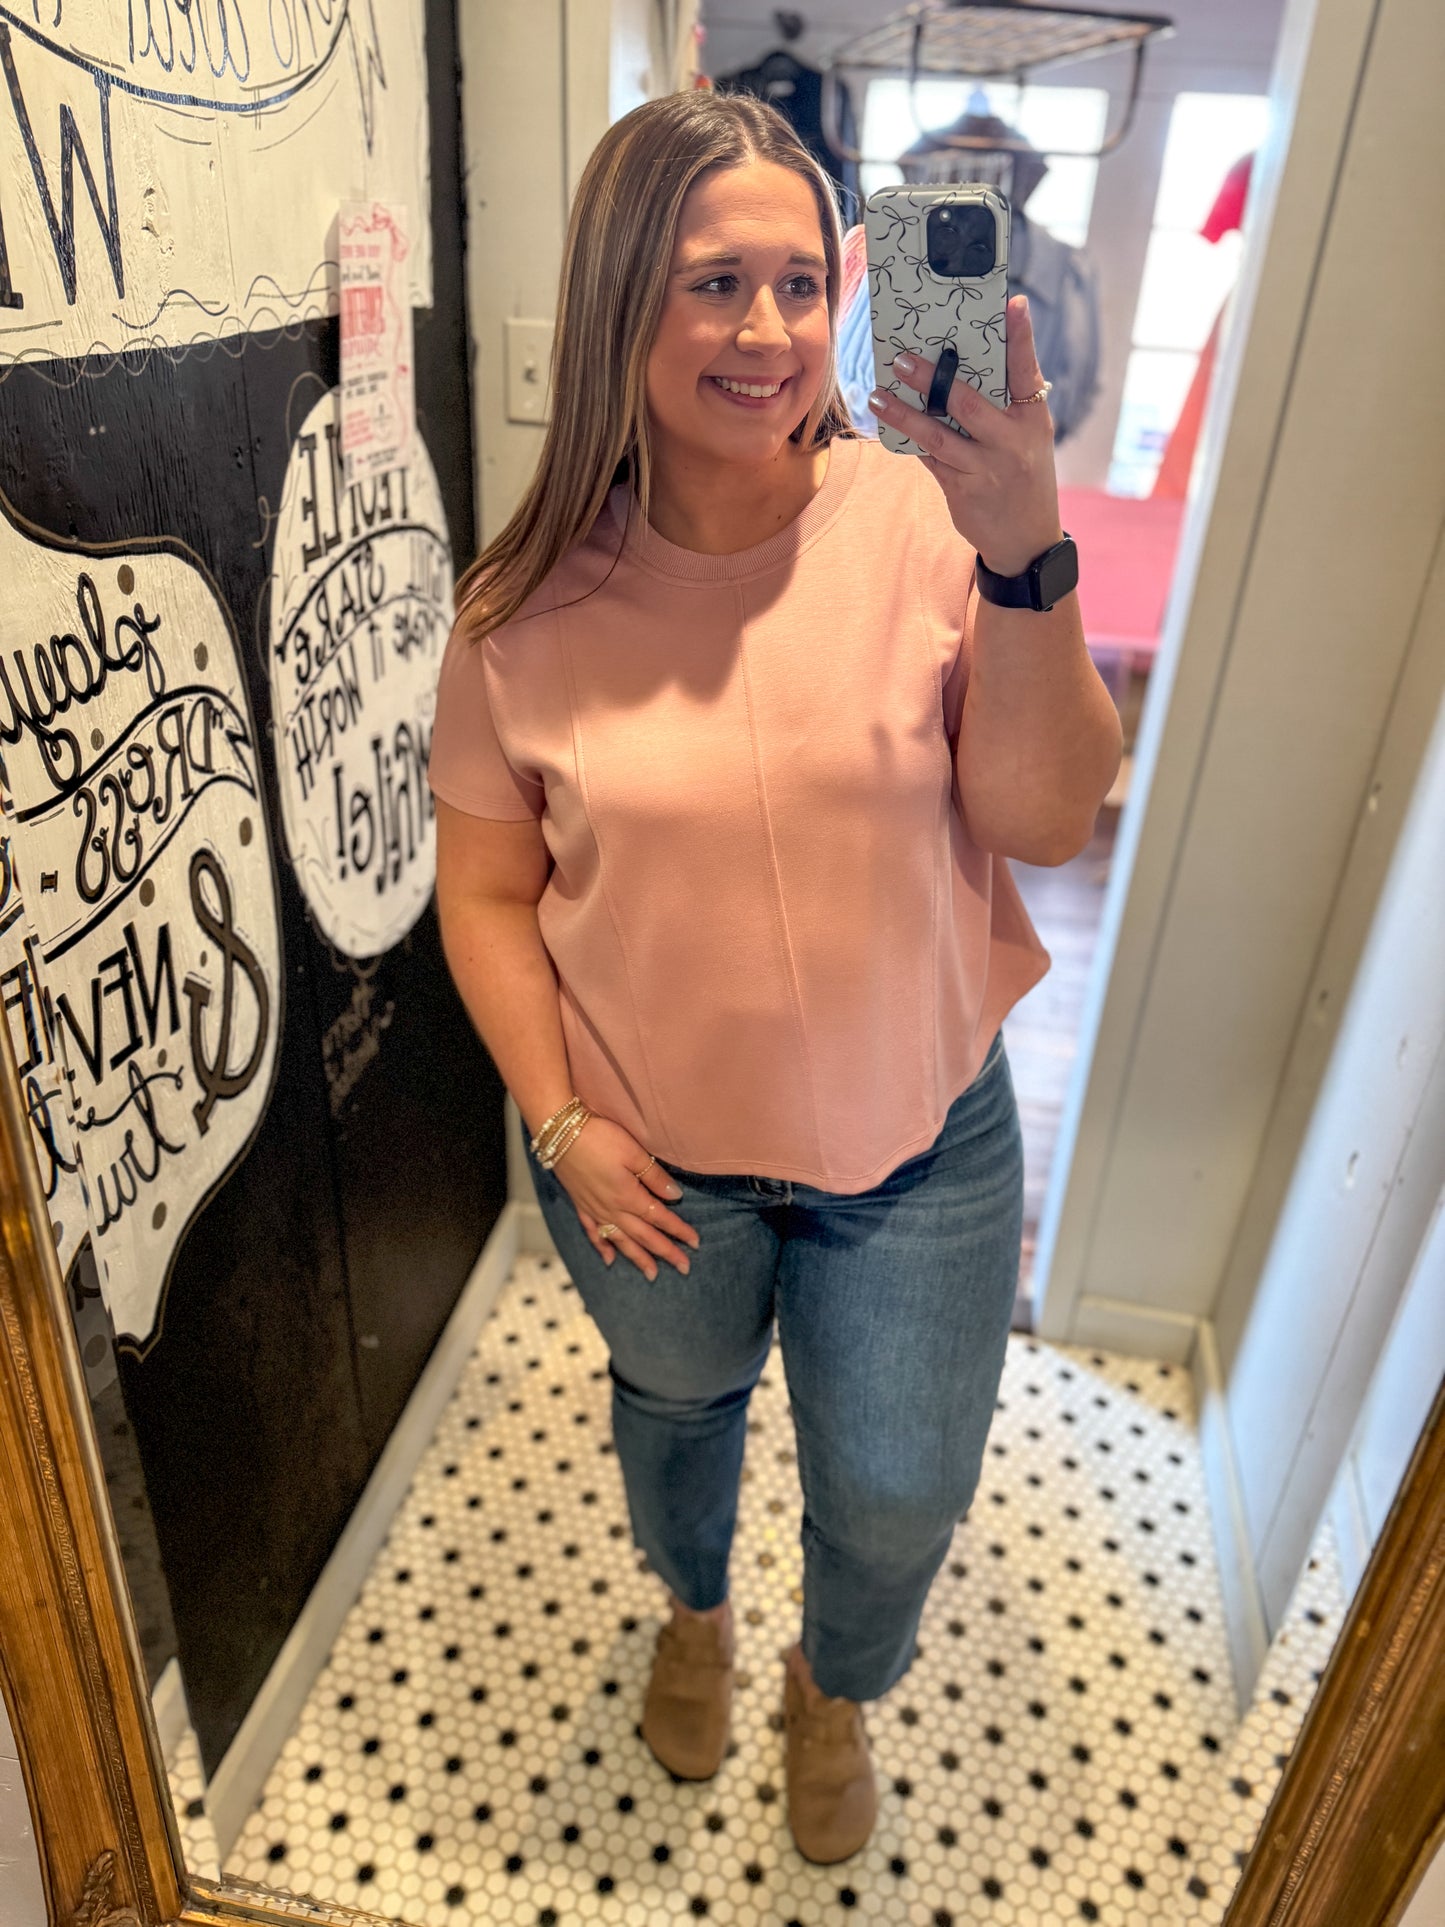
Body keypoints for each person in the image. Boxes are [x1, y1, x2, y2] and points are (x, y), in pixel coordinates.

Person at [428, 90, 1121, 1866]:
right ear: (614, 305)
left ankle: (832, 1680)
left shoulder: (922, 529)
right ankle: (694, 1612)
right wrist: (563, 1121)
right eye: (710, 282)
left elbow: (1045, 816)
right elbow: (490, 895)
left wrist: (1026, 547)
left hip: (912, 1150)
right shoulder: (521, 612)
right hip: (646, 1163)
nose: (766, 331)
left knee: (893, 1490)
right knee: (675, 1416)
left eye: (802, 284)